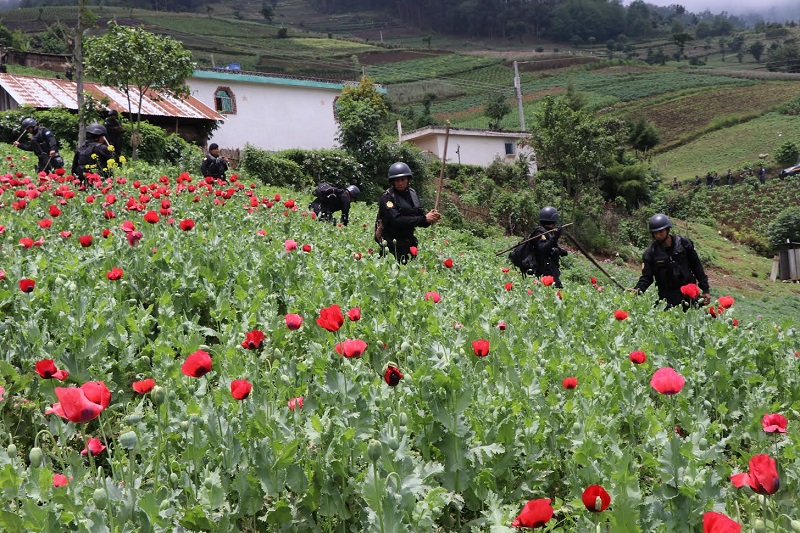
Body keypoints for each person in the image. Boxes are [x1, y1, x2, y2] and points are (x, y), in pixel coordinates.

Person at [632, 213, 711, 310]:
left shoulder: (684, 244)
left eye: (661, 232)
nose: (658, 235)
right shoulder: (650, 253)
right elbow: (646, 277)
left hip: (689, 296)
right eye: (655, 233)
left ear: (667, 230)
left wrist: (705, 289)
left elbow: (697, 267)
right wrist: (637, 290)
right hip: (667, 299)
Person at [376, 162, 441, 263]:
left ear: (408, 180)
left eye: (403, 179)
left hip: (408, 244)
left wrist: (430, 218)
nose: (400, 183)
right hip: (391, 245)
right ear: (392, 182)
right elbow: (397, 220)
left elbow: (419, 218)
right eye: (397, 180)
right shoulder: (387, 198)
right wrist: (424, 219)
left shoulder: (412, 194)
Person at [529, 206, 568, 288]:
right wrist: (555, 237)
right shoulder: (539, 232)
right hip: (543, 269)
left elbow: (550, 247)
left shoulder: (548, 232)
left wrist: (560, 251)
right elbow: (542, 248)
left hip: (550, 269)